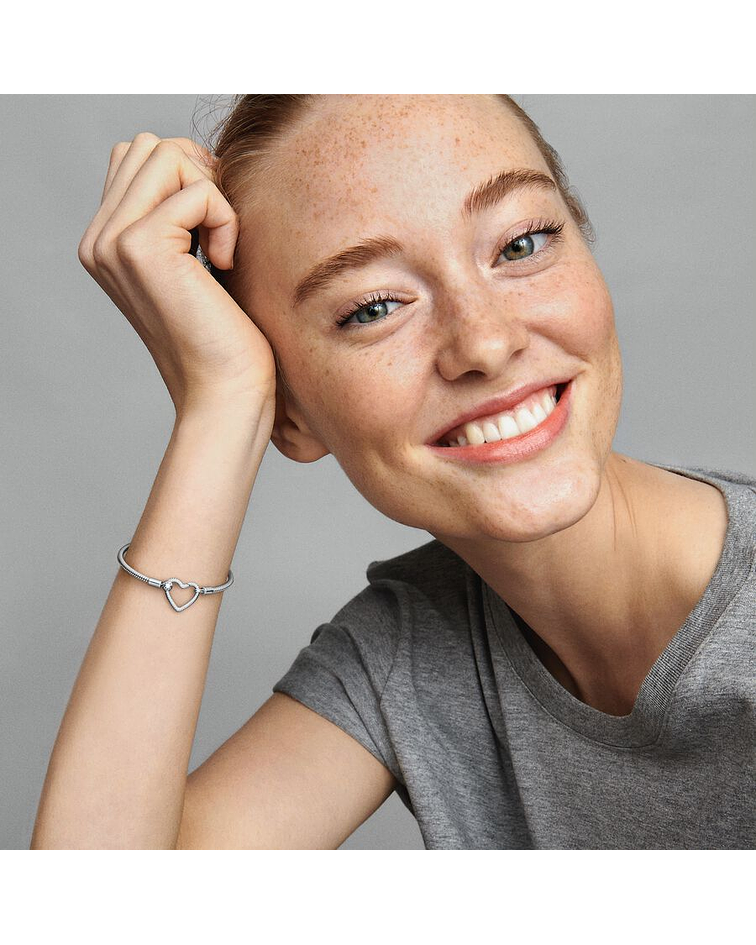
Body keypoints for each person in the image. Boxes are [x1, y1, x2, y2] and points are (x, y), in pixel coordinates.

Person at [31, 94, 755, 850]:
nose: (484, 342)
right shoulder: (410, 649)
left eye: (521, 244)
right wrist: (220, 408)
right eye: (374, 307)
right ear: (290, 414)